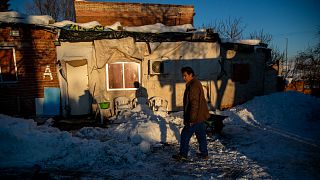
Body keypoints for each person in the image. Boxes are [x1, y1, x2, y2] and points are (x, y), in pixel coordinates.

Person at [172, 66, 210, 161]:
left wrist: (192, 119)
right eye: (183, 76)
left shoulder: (193, 86)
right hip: (200, 116)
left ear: (191, 75)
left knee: (185, 135)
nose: (184, 78)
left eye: (185, 76)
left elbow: (194, 103)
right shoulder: (195, 83)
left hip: (195, 117)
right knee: (201, 135)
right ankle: (204, 153)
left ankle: (183, 155)